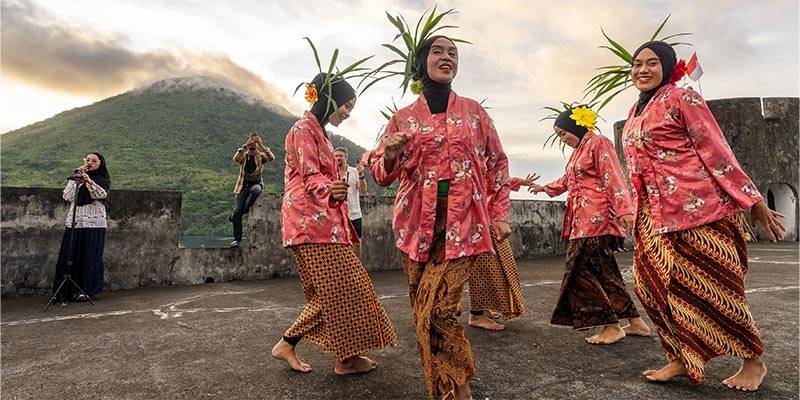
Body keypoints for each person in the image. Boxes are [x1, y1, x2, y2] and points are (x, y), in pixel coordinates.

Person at [621, 41, 784, 390]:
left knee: (716, 287)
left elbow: (716, 149)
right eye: (637, 64)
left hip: (698, 210)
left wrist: (751, 199)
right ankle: (681, 357)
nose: (643, 70)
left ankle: (753, 360)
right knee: (650, 286)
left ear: (668, 67)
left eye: (652, 63)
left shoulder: (683, 98)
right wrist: (632, 210)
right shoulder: (635, 111)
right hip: (653, 216)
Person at [370, 35, 511, 400]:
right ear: (422, 62)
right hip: (416, 225)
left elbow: (497, 162)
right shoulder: (402, 119)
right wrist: (389, 155)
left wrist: (498, 213)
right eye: (438, 51)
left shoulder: (474, 113)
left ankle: (460, 389)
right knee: (423, 312)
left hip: (464, 222)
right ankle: (446, 387)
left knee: (440, 311)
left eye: (453, 52)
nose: (447, 57)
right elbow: (381, 175)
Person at [271, 72, 397, 375]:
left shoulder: (322, 134)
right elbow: (310, 174)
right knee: (343, 288)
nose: (348, 112)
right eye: (347, 105)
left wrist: (333, 190)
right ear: (330, 99)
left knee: (339, 290)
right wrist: (331, 189)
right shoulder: (302, 129)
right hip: (308, 223)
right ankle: (292, 344)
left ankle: (345, 358)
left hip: (325, 222)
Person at [529, 106, 651, 345]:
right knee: (606, 273)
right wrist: (544, 188)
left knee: (581, 272)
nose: (563, 139)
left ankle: (611, 326)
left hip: (596, 220)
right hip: (580, 220)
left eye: (563, 133)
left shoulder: (598, 143)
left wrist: (625, 210)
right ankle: (636, 323)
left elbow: (612, 176)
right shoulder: (578, 152)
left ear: (575, 126)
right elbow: (568, 180)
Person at [467, 174, 539, 331]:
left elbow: (497, 177)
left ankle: (483, 309)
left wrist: (518, 181)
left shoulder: (493, 166)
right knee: (482, 268)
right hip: (481, 219)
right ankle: (476, 314)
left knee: (494, 267)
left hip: (488, 219)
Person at [52, 152, 111, 302]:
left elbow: (100, 194)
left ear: (100, 164)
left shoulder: (102, 180)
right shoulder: (77, 179)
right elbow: (67, 196)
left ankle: (87, 290)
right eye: (88, 160)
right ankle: (66, 291)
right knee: (69, 255)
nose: (90, 163)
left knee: (90, 256)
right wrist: (76, 178)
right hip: (75, 221)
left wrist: (88, 180)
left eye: (94, 161)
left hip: (94, 223)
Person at [230, 132, 275, 248]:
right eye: (251, 145)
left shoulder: (260, 156)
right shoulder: (243, 157)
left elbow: (271, 157)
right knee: (236, 213)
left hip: (256, 184)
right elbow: (235, 158)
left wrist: (261, 144)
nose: (252, 147)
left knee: (256, 191)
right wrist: (245, 145)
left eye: (254, 146)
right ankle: (236, 240)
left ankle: (244, 210)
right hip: (242, 187)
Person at [334, 147, 367, 258]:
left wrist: (361, 175)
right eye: (336, 156)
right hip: (337, 215)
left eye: (340, 156)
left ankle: (358, 266)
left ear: (346, 157)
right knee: (338, 243)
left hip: (354, 213)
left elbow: (363, 190)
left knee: (356, 242)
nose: (338, 158)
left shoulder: (354, 172)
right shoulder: (331, 172)